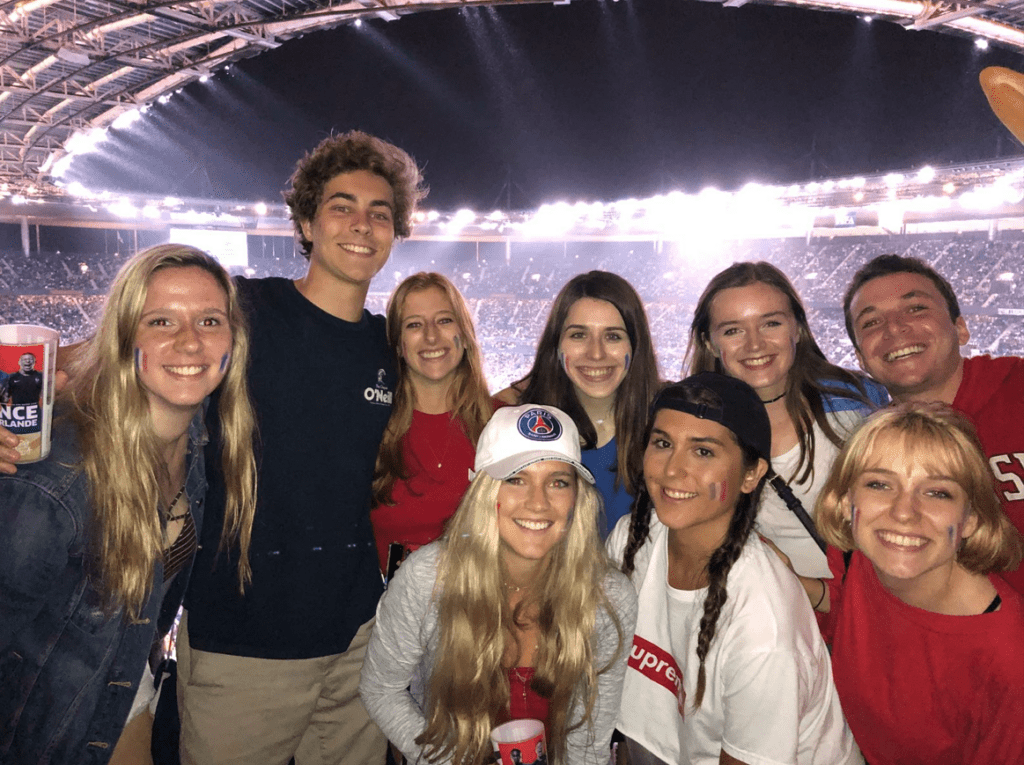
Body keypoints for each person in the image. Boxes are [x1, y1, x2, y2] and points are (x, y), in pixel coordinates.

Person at [175, 132, 427, 764]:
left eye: (380, 213)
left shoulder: (389, 347)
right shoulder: (245, 309)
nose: (362, 224)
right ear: (308, 222)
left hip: (356, 636)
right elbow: (129, 360)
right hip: (243, 637)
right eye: (343, 206)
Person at [0, 244, 257, 765]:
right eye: (161, 321)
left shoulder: (199, 441)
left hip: (123, 695)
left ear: (233, 340)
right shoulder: (56, 479)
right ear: (123, 337)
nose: (190, 342)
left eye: (210, 321)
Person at [360, 403, 638, 765]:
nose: (538, 503)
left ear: (576, 499)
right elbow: (380, 688)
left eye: (557, 482)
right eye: (516, 479)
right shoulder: (429, 577)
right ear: (483, 492)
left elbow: (589, 740)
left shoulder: (609, 598)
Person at [607, 373, 860, 765]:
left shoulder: (763, 627)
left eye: (703, 451)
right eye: (662, 443)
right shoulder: (632, 540)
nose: (673, 470)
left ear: (751, 474)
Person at [814, 402, 1024, 764]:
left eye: (937, 492)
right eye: (879, 484)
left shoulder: (1008, 663)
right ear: (848, 500)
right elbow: (846, 615)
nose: (903, 512)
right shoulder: (860, 556)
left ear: (971, 518)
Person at [687, 262, 886, 580]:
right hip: (769, 620)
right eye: (732, 330)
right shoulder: (690, 430)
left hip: (864, 611)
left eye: (771, 324)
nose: (755, 344)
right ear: (710, 342)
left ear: (798, 328)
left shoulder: (860, 406)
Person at [844, 253, 1024, 595]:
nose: (894, 328)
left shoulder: (1017, 386)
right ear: (860, 358)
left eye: (915, 309)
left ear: (960, 328)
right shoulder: (868, 454)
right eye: (870, 323)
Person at [500, 271, 660, 537]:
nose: (595, 353)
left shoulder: (666, 422)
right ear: (556, 344)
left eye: (613, 336)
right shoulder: (519, 423)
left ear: (635, 345)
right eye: (578, 335)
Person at [370, 272, 494, 576]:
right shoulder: (370, 426)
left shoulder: (501, 423)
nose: (431, 336)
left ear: (464, 334)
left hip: (479, 613)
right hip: (388, 615)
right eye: (414, 325)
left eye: (444, 320)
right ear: (398, 344)